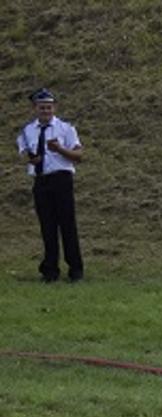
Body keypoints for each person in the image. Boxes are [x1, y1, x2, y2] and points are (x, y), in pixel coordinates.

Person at [16, 88, 84, 283]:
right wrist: (33, 158)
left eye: (48, 107)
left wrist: (60, 149)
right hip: (41, 181)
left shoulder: (65, 129)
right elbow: (26, 152)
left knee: (67, 225)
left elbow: (79, 156)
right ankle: (50, 270)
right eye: (41, 107)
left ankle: (75, 269)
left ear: (54, 108)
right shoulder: (27, 130)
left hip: (61, 179)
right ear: (35, 108)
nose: (45, 111)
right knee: (47, 227)